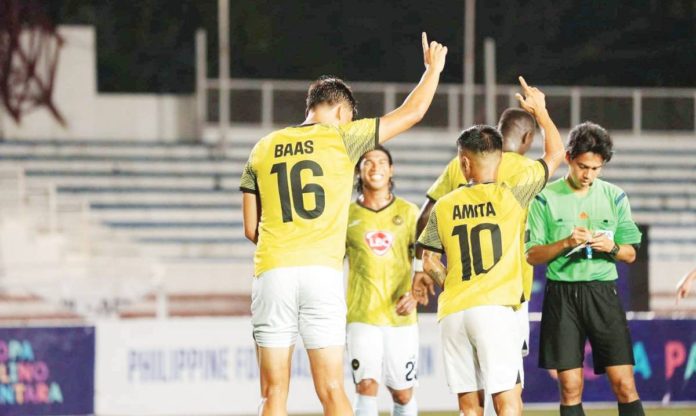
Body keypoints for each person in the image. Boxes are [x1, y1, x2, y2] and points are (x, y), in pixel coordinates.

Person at [239, 33, 447, 415]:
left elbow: (251, 227)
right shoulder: (342, 138)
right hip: (321, 276)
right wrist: (432, 70)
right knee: (333, 390)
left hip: (273, 272)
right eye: (351, 115)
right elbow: (412, 112)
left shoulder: (262, 148)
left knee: (272, 394)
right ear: (339, 111)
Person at [416, 77, 564, 416]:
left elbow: (429, 262)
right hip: (496, 310)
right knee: (508, 402)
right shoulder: (512, 195)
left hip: (454, 311)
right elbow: (556, 153)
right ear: (498, 160)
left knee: (469, 407)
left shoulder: (445, 206)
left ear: (464, 163)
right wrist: (541, 111)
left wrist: (447, 283)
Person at [525, 121, 645, 416]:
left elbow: (630, 254)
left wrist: (612, 248)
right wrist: (566, 242)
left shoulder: (615, 197)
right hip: (562, 297)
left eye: (595, 168)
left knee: (625, 384)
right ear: (568, 158)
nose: (588, 175)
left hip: (603, 294)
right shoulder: (544, 198)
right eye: (582, 166)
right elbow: (532, 255)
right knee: (569, 389)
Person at [345, 145, 420, 416]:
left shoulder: (411, 213)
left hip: (401, 318)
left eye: (381, 162)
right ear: (358, 171)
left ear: (391, 170)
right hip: (362, 315)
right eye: (368, 162)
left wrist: (415, 291)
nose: (375, 167)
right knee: (365, 385)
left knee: (402, 392)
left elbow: (428, 262)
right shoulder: (346, 216)